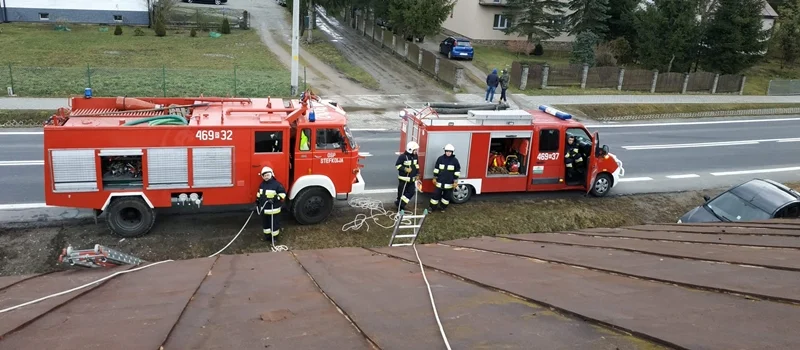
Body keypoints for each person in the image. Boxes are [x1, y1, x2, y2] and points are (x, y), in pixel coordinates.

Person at [255, 166, 287, 244]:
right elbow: (259, 194)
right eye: (264, 175)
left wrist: (275, 198)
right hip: (264, 210)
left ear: (271, 174)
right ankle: (267, 237)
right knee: (266, 225)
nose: (266, 177)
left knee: (274, 225)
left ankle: (274, 238)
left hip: (273, 210)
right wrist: (257, 201)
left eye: (267, 175)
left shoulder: (277, 185)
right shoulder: (262, 185)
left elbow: (283, 194)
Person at [429, 144, 461, 212]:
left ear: (452, 152)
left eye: (450, 152)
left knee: (446, 198)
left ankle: (443, 207)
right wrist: (435, 177)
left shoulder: (455, 161)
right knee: (435, 196)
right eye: (447, 151)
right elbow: (436, 169)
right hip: (439, 182)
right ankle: (432, 208)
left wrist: (455, 181)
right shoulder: (440, 159)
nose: (448, 153)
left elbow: (457, 171)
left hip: (449, 183)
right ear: (445, 151)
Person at [395, 141, 420, 212]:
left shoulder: (415, 156)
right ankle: (400, 207)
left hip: (412, 179)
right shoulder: (403, 157)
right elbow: (398, 165)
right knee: (401, 193)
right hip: (403, 179)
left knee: (411, 192)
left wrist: (418, 174)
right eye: (415, 150)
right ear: (410, 150)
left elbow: (417, 165)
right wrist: (405, 169)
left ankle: (400, 204)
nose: (416, 151)